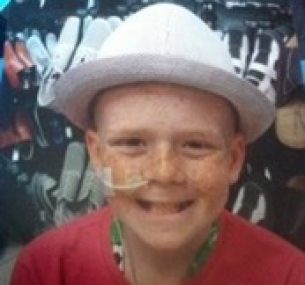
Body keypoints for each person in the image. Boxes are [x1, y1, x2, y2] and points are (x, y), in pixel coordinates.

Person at [11, 3, 305, 285]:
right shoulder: (45, 270)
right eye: (132, 142)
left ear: (234, 160)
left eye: (195, 145)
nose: (164, 173)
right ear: (97, 154)